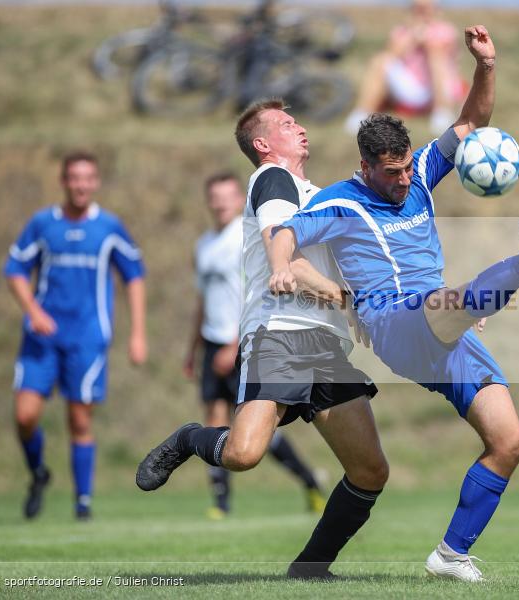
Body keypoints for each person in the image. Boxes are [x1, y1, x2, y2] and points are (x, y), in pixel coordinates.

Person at [268, 25, 519, 582]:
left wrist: (487, 65)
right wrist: (282, 265)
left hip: (446, 324)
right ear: (366, 167)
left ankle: (450, 555)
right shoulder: (341, 202)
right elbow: (286, 232)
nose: (404, 180)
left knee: (509, 442)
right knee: (444, 303)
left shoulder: (421, 171)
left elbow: (471, 122)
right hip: (391, 322)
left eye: (406, 168)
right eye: (392, 173)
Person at [137, 99, 389, 581]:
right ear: (263, 144)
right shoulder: (273, 179)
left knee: (370, 471)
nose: (300, 127)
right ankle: (190, 438)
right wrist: (344, 299)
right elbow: (284, 253)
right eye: (287, 124)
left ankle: (310, 569)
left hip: (326, 344)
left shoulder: (319, 194)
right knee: (243, 454)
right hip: (280, 335)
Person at [4, 151, 147, 521]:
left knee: (80, 420)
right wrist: (33, 311)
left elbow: (134, 276)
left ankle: (83, 503)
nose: (81, 185)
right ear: (64, 181)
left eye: (87, 178)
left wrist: (137, 334)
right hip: (42, 338)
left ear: (95, 182)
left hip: (87, 338)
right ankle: (38, 473)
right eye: (74, 178)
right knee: (24, 416)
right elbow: (15, 269)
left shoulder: (109, 227)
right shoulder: (43, 223)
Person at [184, 171, 326, 518]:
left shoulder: (243, 238)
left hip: (241, 341)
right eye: (214, 197)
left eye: (227, 196)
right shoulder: (204, 244)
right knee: (214, 419)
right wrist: (193, 348)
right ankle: (221, 502)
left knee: (255, 429)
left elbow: (253, 293)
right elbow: (203, 300)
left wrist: (234, 343)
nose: (220, 203)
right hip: (212, 342)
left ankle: (308, 480)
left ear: (239, 200)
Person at [344, 0, 467, 134]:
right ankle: (361, 114)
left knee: (435, 56)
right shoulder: (401, 31)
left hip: (440, 88)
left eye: (426, 9)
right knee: (380, 60)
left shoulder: (446, 30)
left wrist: (425, 39)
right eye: (418, 9)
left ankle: (442, 113)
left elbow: (446, 55)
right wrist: (412, 36)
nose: (422, 13)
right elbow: (391, 55)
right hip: (412, 87)